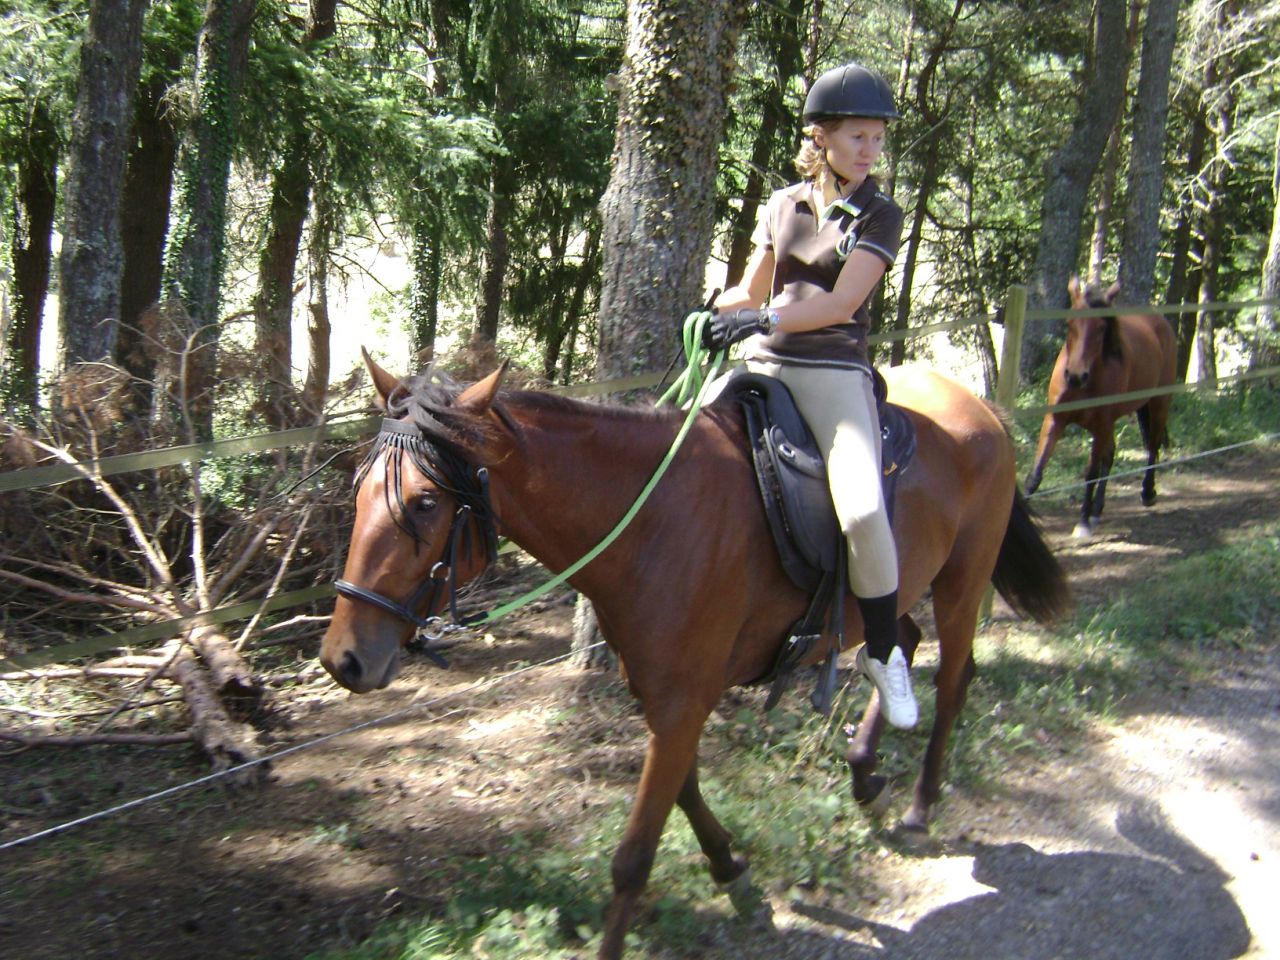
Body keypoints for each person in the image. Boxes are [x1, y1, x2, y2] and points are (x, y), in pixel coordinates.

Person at [702, 61, 918, 728]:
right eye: (858, 136)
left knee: (862, 508)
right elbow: (752, 289)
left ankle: (882, 651)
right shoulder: (782, 204)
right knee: (680, 455)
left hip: (832, 370)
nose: (870, 150)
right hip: (763, 363)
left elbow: (842, 303)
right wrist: (711, 311)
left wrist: (759, 319)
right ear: (820, 136)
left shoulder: (881, 213)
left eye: (877, 138)